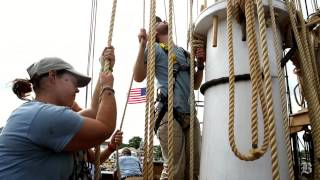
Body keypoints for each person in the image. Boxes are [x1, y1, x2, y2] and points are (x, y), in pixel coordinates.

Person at [0, 46, 117, 180]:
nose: (77, 90)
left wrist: (104, 70)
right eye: (74, 83)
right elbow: (105, 128)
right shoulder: (43, 115)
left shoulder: (36, 113)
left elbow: (94, 112)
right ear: (52, 76)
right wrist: (108, 87)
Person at [133, 16, 205, 180]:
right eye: (157, 22)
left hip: (190, 115)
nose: (163, 20)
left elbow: (195, 84)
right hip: (168, 113)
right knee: (175, 170)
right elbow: (138, 76)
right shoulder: (155, 48)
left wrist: (200, 65)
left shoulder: (185, 53)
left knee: (194, 169)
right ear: (154, 33)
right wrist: (143, 45)